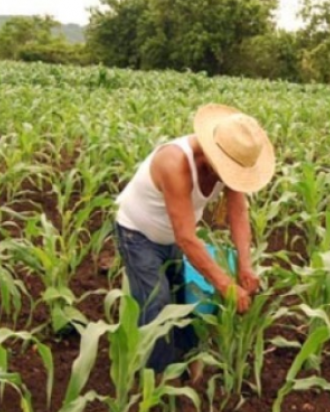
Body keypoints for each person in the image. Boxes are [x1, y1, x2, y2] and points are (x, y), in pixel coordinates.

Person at [114, 103, 275, 378]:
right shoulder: (175, 163)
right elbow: (187, 237)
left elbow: (238, 213)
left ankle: (185, 360)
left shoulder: (229, 162)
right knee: (156, 303)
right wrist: (226, 285)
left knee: (182, 298)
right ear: (214, 155)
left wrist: (245, 266)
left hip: (173, 235)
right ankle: (156, 383)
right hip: (137, 233)